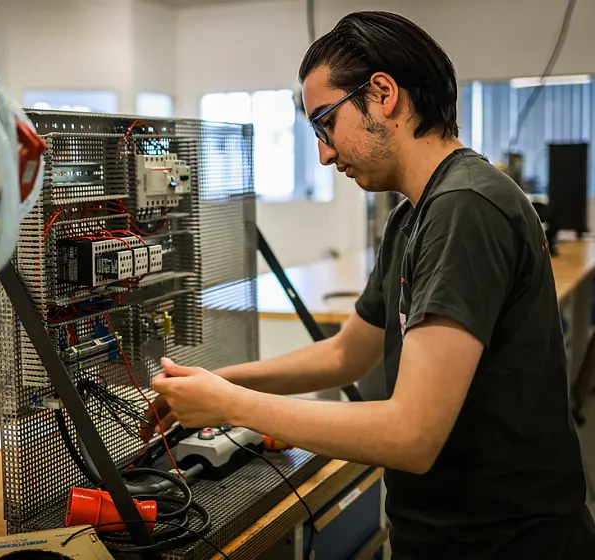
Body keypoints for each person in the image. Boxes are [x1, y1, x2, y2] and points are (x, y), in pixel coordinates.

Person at [141, 11, 595, 560]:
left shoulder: (466, 208)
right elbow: (343, 356)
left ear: (382, 94)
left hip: (506, 543)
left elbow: (411, 435)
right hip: (442, 534)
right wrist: (217, 380)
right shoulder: (414, 216)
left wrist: (231, 404)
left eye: (325, 123)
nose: (325, 153)